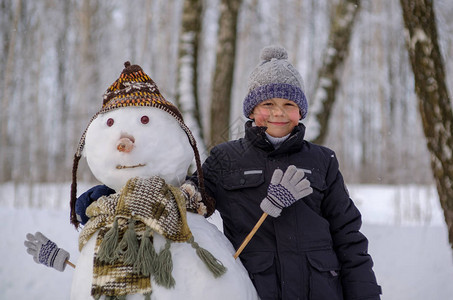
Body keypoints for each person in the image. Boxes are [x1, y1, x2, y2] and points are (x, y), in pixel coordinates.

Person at [75, 45, 382, 300]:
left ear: (301, 110)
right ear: (251, 110)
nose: (278, 112)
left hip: (321, 290)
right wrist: (113, 195)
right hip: (258, 288)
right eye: (268, 103)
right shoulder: (226, 158)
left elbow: (348, 236)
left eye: (289, 103)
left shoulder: (322, 160)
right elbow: (190, 198)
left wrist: (365, 294)